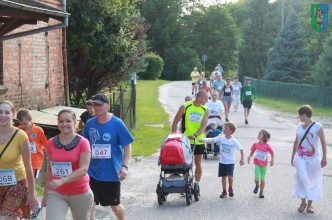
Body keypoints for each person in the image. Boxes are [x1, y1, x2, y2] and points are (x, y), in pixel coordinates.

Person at [83, 93, 134, 220]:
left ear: (108, 105)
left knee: (115, 206)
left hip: (111, 173)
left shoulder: (117, 123)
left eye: (100, 104)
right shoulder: (90, 124)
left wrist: (125, 166)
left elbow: (127, 146)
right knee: (89, 203)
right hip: (92, 172)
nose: (97, 107)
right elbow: (84, 145)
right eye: (95, 104)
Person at [42, 109, 93, 220]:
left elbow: (83, 169)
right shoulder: (51, 142)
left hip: (79, 192)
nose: (64, 124)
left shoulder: (83, 142)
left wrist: (62, 180)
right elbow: (49, 169)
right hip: (57, 192)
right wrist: (46, 192)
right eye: (61, 121)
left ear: (74, 122)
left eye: (68, 121)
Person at [0, 101, 38, 219]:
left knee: (4, 217)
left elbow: (28, 166)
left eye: (7, 112)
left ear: (13, 114)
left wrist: (32, 192)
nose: (3, 115)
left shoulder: (20, 135)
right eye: (0, 112)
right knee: (12, 217)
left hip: (16, 183)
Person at [291, 105, 327, 214]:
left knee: (313, 180)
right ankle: (303, 202)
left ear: (305, 115)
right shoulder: (298, 126)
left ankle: (310, 205)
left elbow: (323, 142)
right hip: (300, 157)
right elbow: (296, 141)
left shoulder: (317, 126)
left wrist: (324, 157)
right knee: (302, 178)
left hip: (314, 158)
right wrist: (293, 156)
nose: (299, 118)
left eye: (300, 115)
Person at [171, 90, 209, 187]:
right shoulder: (185, 106)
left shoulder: (205, 109)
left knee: (198, 162)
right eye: (206, 98)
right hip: (185, 140)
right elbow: (175, 122)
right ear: (199, 98)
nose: (207, 100)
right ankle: (185, 182)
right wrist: (174, 136)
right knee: (185, 163)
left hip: (199, 140)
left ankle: (196, 183)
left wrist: (196, 135)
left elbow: (203, 126)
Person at [17, 108, 48, 219]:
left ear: (31, 120)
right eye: (21, 123)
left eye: (25, 123)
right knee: (26, 187)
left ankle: (31, 209)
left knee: (30, 185)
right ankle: (34, 206)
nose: (24, 126)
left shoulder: (38, 130)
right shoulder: (18, 130)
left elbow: (45, 144)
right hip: (22, 163)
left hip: (35, 163)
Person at [200, 121, 244, 198]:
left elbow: (241, 149)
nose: (224, 129)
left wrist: (242, 159)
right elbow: (212, 139)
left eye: (226, 128)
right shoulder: (221, 138)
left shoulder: (233, 140)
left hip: (230, 161)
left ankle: (230, 188)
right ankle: (224, 191)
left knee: (230, 176)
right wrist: (204, 139)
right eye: (224, 128)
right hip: (222, 161)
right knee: (223, 177)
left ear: (231, 131)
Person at [247, 129, 274, 199]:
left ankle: (261, 192)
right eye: (258, 134)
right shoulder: (255, 144)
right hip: (257, 164)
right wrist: (249, 156)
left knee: (262, 178)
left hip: (264, 165)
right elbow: (252, 151)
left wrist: (272, 160)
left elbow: (272, 153)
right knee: (256, 178)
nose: (258, 135)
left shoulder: (267, 146)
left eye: (260, 134)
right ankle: (257, 185)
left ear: (264, 137)